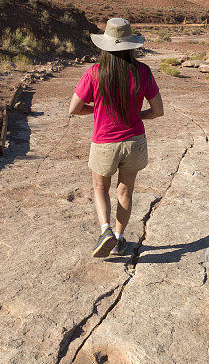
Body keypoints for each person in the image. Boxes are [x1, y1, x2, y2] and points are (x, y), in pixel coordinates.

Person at [68, 17, 164, 258]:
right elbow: (158, 111)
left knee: (100, 187)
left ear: (105, 45)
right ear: (131, 45)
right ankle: (120, 239)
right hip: (134, 141)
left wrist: (97, 109)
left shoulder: (94, 73)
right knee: (125, 192)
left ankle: (105, 230)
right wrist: (138, 114)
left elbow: (74, 109)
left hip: (104, 141)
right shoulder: (143, 71)